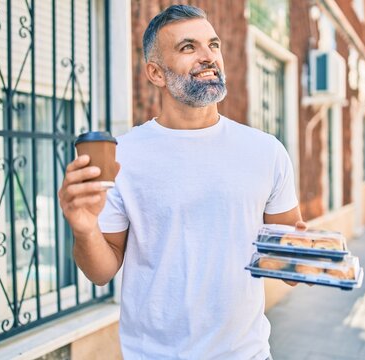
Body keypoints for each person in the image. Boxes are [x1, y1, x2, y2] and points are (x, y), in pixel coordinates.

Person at [59, 5, 306, 359]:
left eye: (214, 45)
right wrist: (83, 230)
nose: (209, 57)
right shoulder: (123, 156)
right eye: (189, 47)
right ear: (156, 72)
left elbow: (290, 267)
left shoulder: (265, 151)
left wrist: (310, 255)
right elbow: (101, 272)